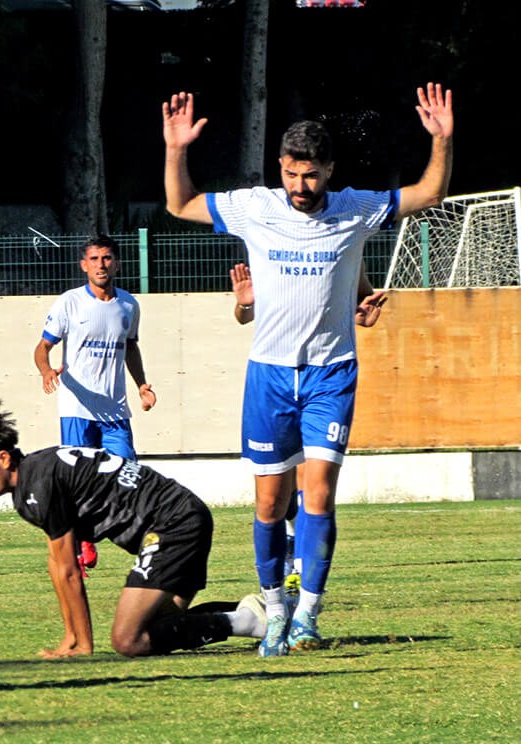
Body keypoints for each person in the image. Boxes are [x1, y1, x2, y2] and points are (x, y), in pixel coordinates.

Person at [163, 82, 452, 655]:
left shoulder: (355, 208)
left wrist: (441, 140)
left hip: (331, 374)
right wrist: (176, 150)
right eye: (293, 174)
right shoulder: (255, 207)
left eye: (312, 175)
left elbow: (427, 193)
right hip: (268, 377)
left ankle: (308, 619)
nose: (302, 186)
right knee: (270, 505)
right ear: (280, 169)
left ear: (329, 170)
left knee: (317, 496)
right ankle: (274, 609)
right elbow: (180, 204)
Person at [0, 401, 268, 659]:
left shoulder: (37, 484)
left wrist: (82, 644)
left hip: (172, 523)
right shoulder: (34, 477)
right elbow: (56, 564)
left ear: (2, 458)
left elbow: (68, 570)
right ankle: (265, 614)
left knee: (128, 640)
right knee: (159, 629)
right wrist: (70, 636)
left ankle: (253, 619)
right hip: (183, 515)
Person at [230, 261, 388, 594]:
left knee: (312, 482)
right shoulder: (271, 245)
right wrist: (245, 304)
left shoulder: (346, 243)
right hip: (276, 379)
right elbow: (244, 315)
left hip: (324, 377)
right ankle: (287, 550)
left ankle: (301, 572)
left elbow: (361, 299)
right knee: (277, 491)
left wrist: (362, 314)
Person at [33, 235, 157, 575]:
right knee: (77, 482)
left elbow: (130, 347)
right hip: (76, 409)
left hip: (115, 411)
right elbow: (42, 348)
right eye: (94, 259)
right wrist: (47, 372)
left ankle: (144, 546)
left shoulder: (128, 305)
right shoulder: (69, 304)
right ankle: (81, 542)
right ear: (83, 265)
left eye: (107, 258)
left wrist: (142, 384)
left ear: (116, 263)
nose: (101, 265)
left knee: (129, 474)